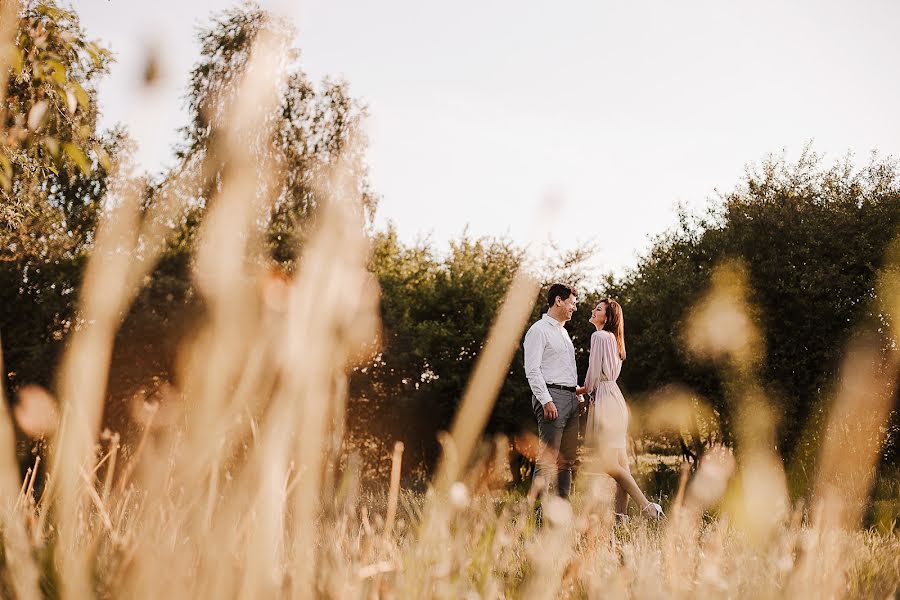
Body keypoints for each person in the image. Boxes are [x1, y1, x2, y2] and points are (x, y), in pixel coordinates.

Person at [576, 298, 664, 520]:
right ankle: (620, 519)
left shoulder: (598, 336)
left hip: (605, 400)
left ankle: (649, 508)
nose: (593, 310)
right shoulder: (615, 339)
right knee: (622, 464)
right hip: (615, 398)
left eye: (598, 309)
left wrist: (580, 391)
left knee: (609, 464)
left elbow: (594, 373)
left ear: (607, 317)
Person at [523, 283, 582, 507]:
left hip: (570, 398)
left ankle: (562, 512)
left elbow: (562, 370)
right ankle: (535, 514)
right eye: (572, 303)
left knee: (565, 461)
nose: (574, 308)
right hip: (551, 397)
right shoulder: (538, 330)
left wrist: (577, 394)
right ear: (559, 300)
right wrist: (546, 400)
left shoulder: (564, 333)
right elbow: (533, 369)